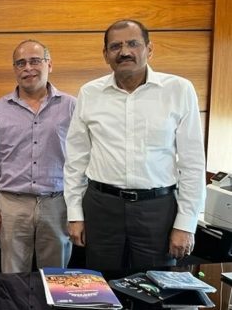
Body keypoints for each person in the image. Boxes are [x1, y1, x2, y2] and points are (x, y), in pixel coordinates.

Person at [63, 19, 206, 271]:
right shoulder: (89, 93)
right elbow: (75, 161)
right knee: (102, 292)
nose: (124, 52)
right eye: (115, 46)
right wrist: (75, 214)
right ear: (106, 54)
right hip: (102, 208)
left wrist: (185, 223)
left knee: (155, 293)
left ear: (149, 49)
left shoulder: (179, 90)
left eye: (133, 44)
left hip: (157, 210)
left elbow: (192, 163)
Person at [0, 40, 75, 273]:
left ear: (49, 65)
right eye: (21, 63)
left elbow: (83, 161)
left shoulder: (72, 107)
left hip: (57, 205)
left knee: (56, 278)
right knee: (13, 278)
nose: (27, 68)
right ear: (14, 69)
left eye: (35, 61)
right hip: (11, 206)